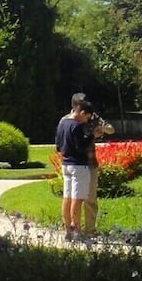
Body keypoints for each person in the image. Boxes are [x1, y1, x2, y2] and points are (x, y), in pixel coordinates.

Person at [55, 98, 112, 238]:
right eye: (86, 116)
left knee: (67, 198)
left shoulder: (63, 123)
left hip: (66, 164)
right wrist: (93, 135)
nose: (87, 120)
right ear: (81, 112)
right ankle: (77, 231)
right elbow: (81, 147)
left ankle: (68, 230)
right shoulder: (76, 126)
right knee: (78, 198)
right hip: (79, 166)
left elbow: (58, 145)